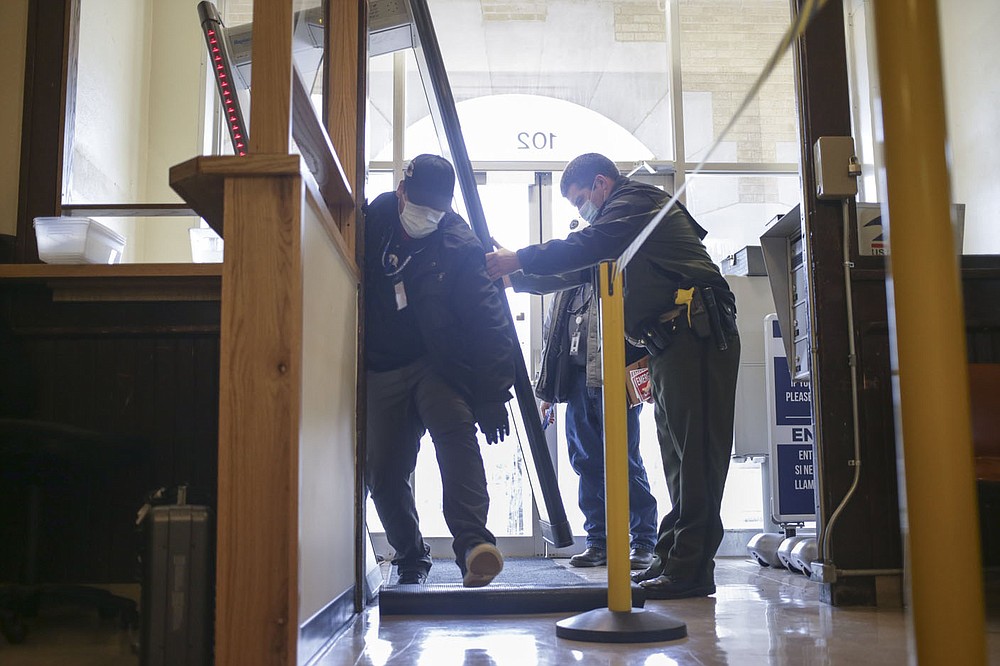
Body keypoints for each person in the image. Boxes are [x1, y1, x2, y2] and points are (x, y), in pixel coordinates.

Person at [486, 152, 741, 599]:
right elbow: (580, 269)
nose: (581, 211)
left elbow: (587, 247)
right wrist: (516, 278)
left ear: (601, 184)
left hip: (695, 332)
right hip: (669, 342)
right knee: (679, 460)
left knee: (697, 456)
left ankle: (691, 569)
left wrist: (518, 258)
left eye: (580, 199)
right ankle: (672, 558)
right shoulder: (620, 227)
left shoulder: (636, 201)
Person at [363, 154, 515, 587]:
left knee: (457, 436)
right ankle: (411, 555)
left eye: (436, 208)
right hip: (381, 365)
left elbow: (490, 322)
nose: (426, 214)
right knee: (383, 471)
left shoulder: (460, 245)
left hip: (437, 364)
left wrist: (492, 394)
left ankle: (474, 546)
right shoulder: (377, 218)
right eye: (419, 204)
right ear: (401, 192)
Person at [507, 261, 658, 570]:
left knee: (625, 461)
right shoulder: (567, 284)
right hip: (576, 381)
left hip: (615, 379)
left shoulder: (620, 274)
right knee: (586, 462)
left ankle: (643, 541)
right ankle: (598, 542)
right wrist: (547, 393)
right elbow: (552, 336)